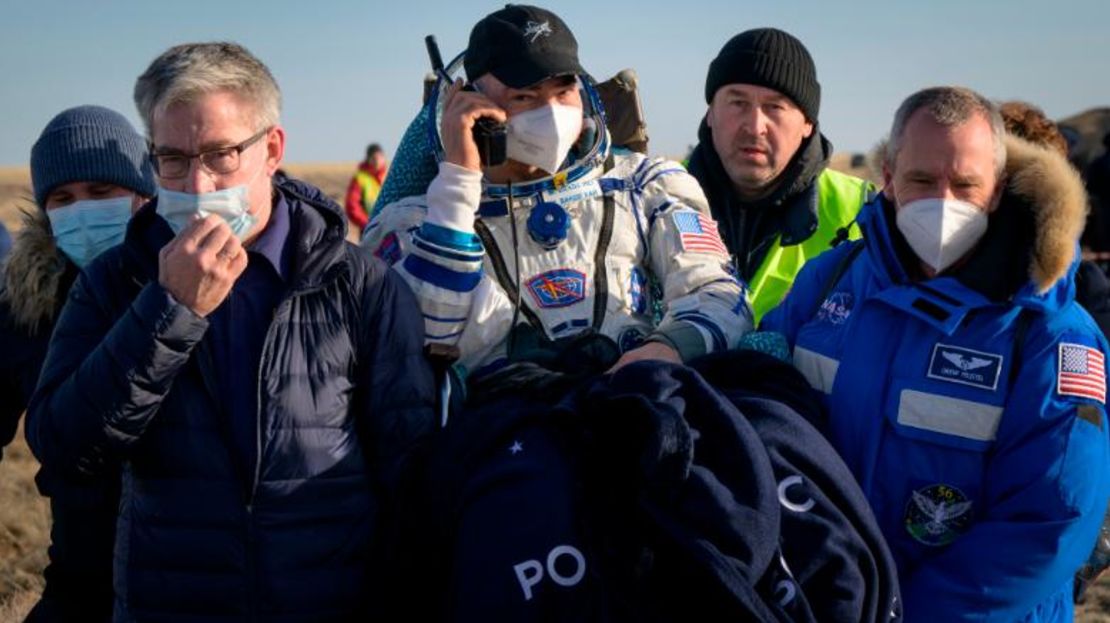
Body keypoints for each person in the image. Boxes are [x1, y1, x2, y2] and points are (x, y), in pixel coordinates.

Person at [26, 42, 435, 621]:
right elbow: (65, 448)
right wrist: (169, 310)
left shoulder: (358, 286)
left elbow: (409, 474)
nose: (196, 184)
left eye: (220, 155)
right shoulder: (114, 282)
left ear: (271, 149)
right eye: (172, 159)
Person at [763, 86, 1110, 621]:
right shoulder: (828, 281)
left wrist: (900, 612)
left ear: (996, 192)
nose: (942, 203)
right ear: (887, 176)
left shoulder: (1050, 334)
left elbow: (1049, 523)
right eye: (922, 180)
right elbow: (761, 394)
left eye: (965, 185)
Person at [364, 5, 751, 393]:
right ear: (471, 105)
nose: (550, 113)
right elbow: (421, 346)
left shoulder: (646, 184)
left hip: (636, 408)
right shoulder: (415, 223)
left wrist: (666, 349)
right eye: (525, 96)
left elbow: (720, 295)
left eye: (564, 91)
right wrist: (457, 185)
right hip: (502, 434)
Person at [0, 105, 155, 622]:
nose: (82, 209)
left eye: (100, 192)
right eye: (62, 199)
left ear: (142, 193)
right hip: (79, 565)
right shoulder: (26, 304)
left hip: (191, 571)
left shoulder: (189, 284)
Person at [686, 28, 873, 323]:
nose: (754, 126)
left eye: (775, 107)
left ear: (808, 124)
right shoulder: (653, 197)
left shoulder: (866, 214)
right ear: (711, 113)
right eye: (738, 103)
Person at [344, 142, 388, 231]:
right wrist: (367, 223)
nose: (377, 161)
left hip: (390, 227)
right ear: (368, 159)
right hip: (369, 229)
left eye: (379, 157)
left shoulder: (390, 175)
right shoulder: (360, 178)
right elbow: (352, 205)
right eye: (374, 158)